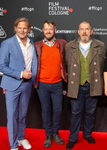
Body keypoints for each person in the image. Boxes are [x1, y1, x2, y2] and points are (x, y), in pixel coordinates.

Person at [65, 21, 106, 149]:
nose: (84, 32)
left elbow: (102, 66)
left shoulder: (100, 46)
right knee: (75, 113)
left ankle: (87, 134)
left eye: (87, 29)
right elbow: (67, 64)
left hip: (93, 85)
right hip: (75, 85)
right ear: (78, 32)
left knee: (90, 112)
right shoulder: (69, 46)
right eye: (82, 29)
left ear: (91, 31)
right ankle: (73, 138)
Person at [0, 17, 37, 150]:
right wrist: (21, 74)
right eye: (19, 28)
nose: (22, 30)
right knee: (12, 116)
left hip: (27, 85)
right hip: (12, 85)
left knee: (23, 114)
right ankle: (13, 145)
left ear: (29, 29)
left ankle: (21, 137)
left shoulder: (31, 43)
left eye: (25, 28)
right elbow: (1, 66)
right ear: (15, 28)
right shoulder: (7, 43)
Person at [34, 20, 67, 148]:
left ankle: (55, 133)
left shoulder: (62, 44)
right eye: (46, 28)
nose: (48, 31)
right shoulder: (37, 45)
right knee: (46, 110)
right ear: (43, 30)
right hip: (42, 84)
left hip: (58, 83)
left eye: (51, 28)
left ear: (55, 30)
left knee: (58, 110)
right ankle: (48, 135)